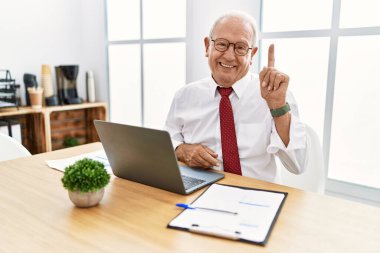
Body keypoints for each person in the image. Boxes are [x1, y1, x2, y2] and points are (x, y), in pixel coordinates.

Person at [164, 11, 307, 183]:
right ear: (207, 46)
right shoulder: (184, 96)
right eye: (222, 44)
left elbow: (298, 165)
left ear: (252, 54)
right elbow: (167, 141)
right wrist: (181, 150)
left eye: (240, 47)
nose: (229, 56)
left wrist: (278, 108)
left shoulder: (275, 95)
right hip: (198, 191)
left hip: (257, 197)